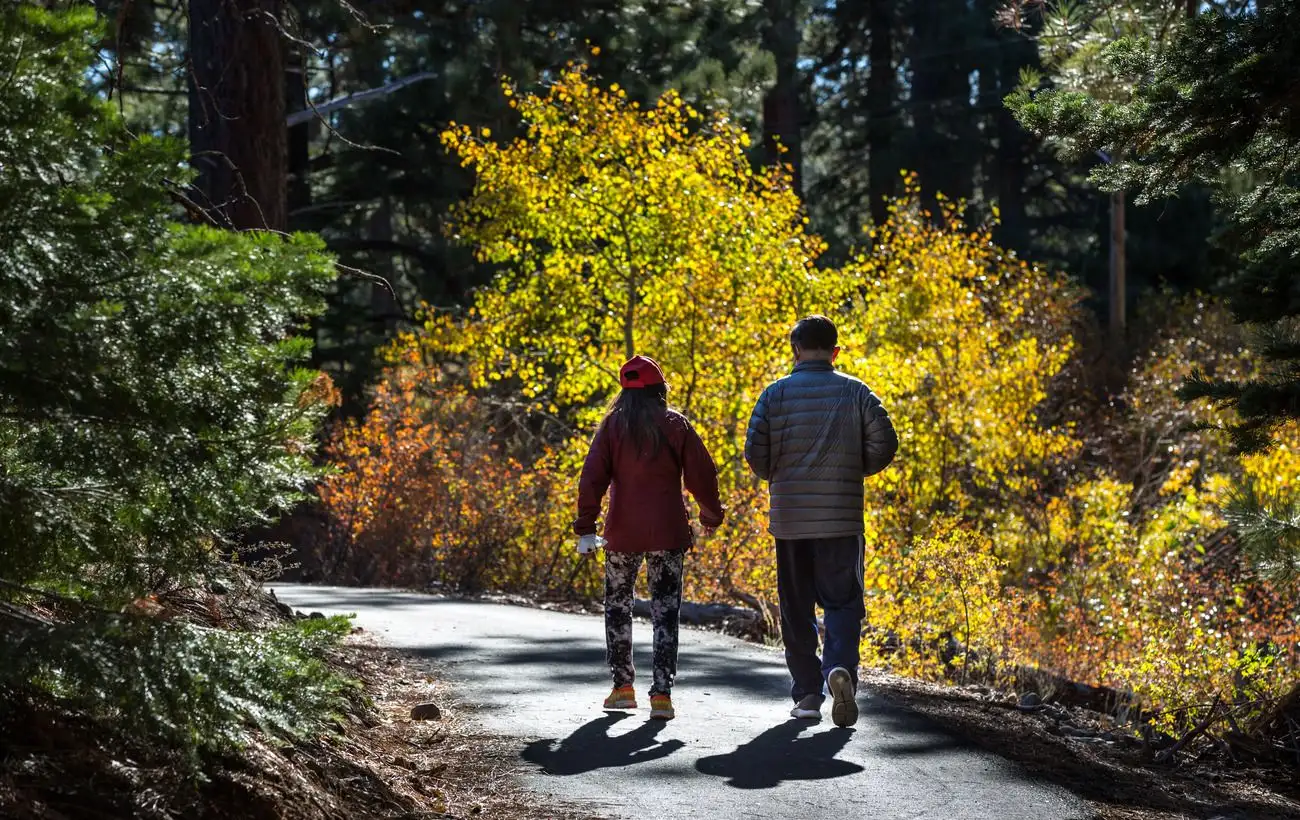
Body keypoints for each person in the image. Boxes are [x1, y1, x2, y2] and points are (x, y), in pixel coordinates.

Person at [744, 315, 898, 728]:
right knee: (843, 601)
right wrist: (853, 470)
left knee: (795, 607)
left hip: (791, 519)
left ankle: (808, 695)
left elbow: (755, 453)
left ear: (795, 350)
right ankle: (838, 669)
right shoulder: (856, 392)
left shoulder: (774, 396)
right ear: (835, 351)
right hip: (842, 520)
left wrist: (779, 474)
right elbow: (886, 443)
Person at [574, 355, 725, 721]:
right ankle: (662, 695)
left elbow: (592, 476)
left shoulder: (612, 426)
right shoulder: (676, 424)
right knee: (665, 611)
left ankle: (623, 688)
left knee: (617, 607)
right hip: (668, 532)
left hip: (621, 534)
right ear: (660, 389)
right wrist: (710, 514)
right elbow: (701, 474)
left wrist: (586, 527)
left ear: (624, 392)